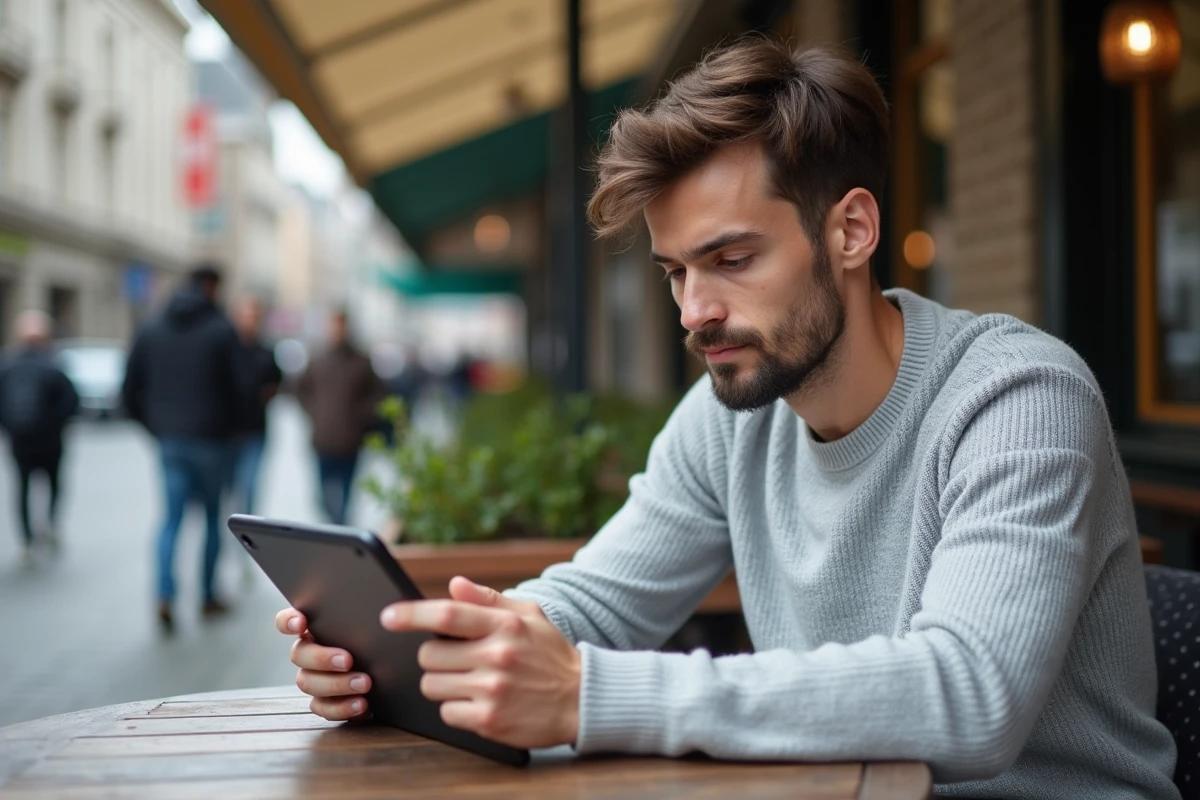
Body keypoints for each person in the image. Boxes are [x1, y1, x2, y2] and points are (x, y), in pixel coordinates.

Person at [273, 40, 1179, 798]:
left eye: (732, 258)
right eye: (676, 271)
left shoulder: (1018, 397)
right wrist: (422, 650)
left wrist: (588, 694)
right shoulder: (733, 411)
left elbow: (970, 696)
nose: (693, 310)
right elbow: (598, 600)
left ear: (851, 232)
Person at [122, 264, 241, 632]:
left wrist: (157, 428)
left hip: (170, 441)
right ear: (211, 287)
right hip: (211, 442)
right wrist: (229, 430)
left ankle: (163, 595)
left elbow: (128, 389)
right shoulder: (221, 330)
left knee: (170, 521)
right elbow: (240, 389)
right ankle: (207, 597)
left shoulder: (152, 327)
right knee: (209, 519)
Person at [0, 310, 79, 566]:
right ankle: (51, 525)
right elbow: (71, 403)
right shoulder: (54, 364)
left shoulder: (7, 365)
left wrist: (11, 428)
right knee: (54, 484)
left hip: (20, 441)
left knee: (22, 488)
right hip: (51, 441)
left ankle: (27, 540)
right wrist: (55, 426)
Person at [296, 309, 386, 526]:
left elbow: (378, 395)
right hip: (323, 438)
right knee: (323, 493)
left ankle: (338, 529)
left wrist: (361, 415)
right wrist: (315, 412)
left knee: (346, 492)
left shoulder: (361, 361)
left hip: (351, 439)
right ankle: (332, 524)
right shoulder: (317, 359)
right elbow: (300, 390)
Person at [229, 297, 282, 517]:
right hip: (227, 432)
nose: (250, 322)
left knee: (249, 486)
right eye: (246, 317)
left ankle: (244, 528)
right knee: (229, 488)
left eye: (254, 317)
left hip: (255, 431)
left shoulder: (265, 352)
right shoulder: (227, 349)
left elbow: (276, 382)